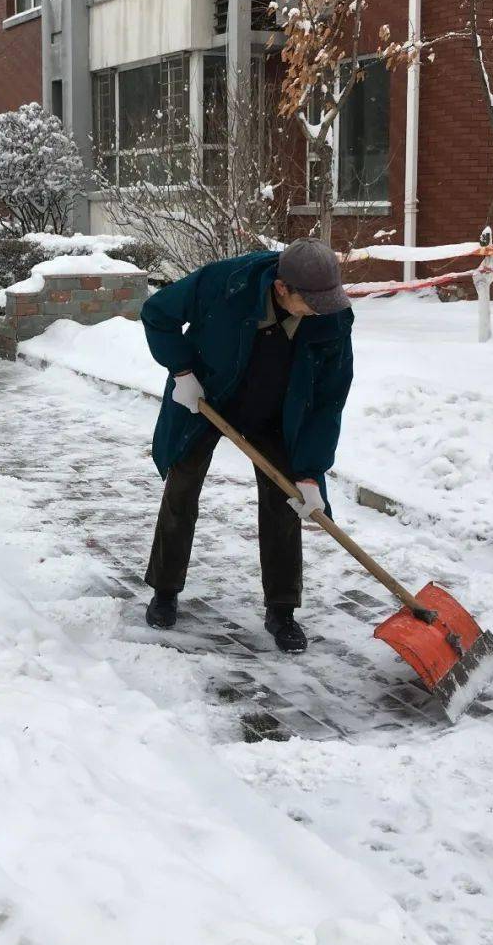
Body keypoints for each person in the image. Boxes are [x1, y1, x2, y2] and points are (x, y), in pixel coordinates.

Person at [140, 238, 354, 653]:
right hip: (207, 395)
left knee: (285, 501)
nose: (319, 309)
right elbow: (157, 313)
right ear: (281, 288)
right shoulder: (226, 283)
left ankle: (282, 608)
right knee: (182, 487)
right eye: (309, 301)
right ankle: (165, 589)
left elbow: (328, 400)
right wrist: (182, 371)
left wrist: (310, 472)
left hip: (275, 413)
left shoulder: (332, 320)